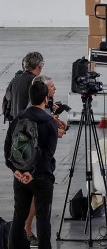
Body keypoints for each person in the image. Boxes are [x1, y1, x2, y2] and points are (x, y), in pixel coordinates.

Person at [4, 81, 58, 249]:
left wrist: (16, 170)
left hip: (20, 175)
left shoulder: (19, 118)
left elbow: (8, 148)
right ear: (46, 98)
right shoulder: (49, 122)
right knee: (43, 217)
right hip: (41, 176)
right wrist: (33, 173)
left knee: (19, 215)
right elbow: (48, 154)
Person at [8, 52, 44, 121]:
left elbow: (9, 98)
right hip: (27, 125)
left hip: (16, 122)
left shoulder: (16, 78)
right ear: (40, 65)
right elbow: (35, 107)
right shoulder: (35, 81)